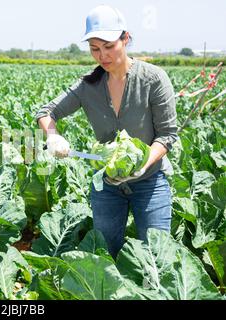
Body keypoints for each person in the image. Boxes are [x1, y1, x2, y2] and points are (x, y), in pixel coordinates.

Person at [35, 5, 178, 258]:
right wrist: (53, 135)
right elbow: (46, 112)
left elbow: (167, 135)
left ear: (125, 38)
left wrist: (142, 165)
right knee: (105, 253)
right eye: (95, 49)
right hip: (107, 184)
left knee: (157, 256)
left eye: (108, 46)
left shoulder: (153, 78)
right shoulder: (88, 84)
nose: (102, 56)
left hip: (151, 182)